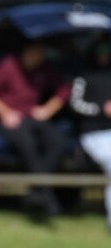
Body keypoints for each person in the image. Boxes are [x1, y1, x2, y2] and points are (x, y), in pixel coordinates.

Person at [0, 42, 71, 215]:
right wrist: (5, 113)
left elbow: (64, 90)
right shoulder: (9, 65)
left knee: (57, 140)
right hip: (11, 119)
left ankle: (37, 191)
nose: (36, 58)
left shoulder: (45, 69)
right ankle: (47, 197)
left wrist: (48, 109)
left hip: (33, 116)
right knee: (28, 143)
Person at [70, 39, 111, 230]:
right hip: (94, 134)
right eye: (100, 52)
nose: (103, 57)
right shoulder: (83, 77)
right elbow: (76, 104)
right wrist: (101, 109)